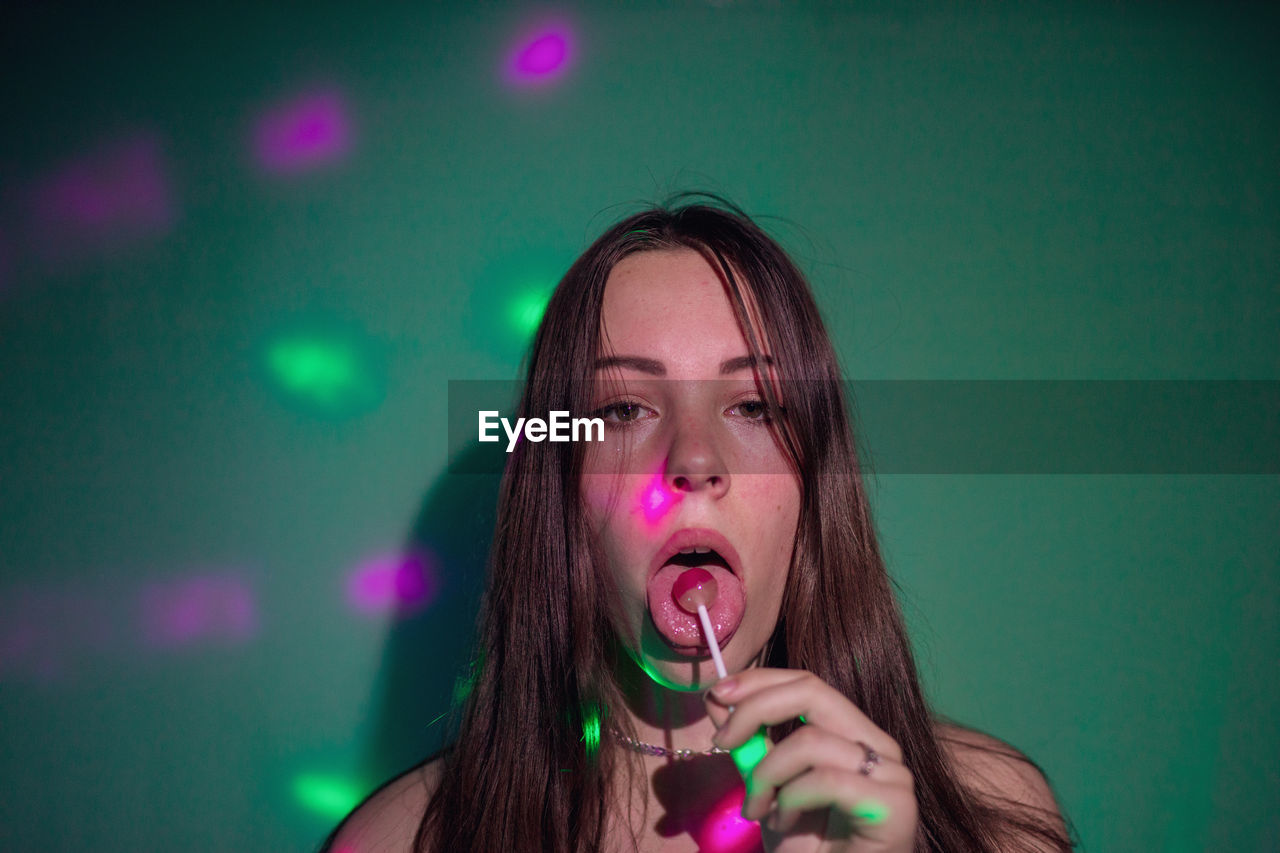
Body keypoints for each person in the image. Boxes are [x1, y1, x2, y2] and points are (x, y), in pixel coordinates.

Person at [323, 196, 1074, 852]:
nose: (694, 460)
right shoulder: (394, 841)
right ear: (560, 491)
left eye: (753, 406)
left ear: (812, 485)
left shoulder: (1002, 818)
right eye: (622, 409)